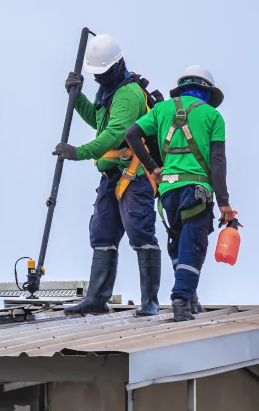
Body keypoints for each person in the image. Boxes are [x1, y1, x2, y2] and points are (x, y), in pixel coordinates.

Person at [53, 34, 162, 316]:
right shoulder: (109, 92)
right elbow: (99, 122)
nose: (99, 78)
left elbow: (115, 135)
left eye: (102, 73)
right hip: (111, 177)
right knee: (102, 234)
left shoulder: (127, 93)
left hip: (134, 176)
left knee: (140, 233)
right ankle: (97, 298)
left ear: (116, 66)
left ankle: (150, 301)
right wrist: (77, 98)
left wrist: (78, 152)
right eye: (95, 74)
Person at [126, 66, 236, 322]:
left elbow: (132, 134)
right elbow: (217, 161)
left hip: (167, 195)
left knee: (178, 244)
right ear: (207, 91)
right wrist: (224, 203)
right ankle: (181, 299)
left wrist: (153, 167)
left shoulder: (162, 110)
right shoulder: (212, 116)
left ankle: (190, 297)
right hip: (196, 192)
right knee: (193, 246)